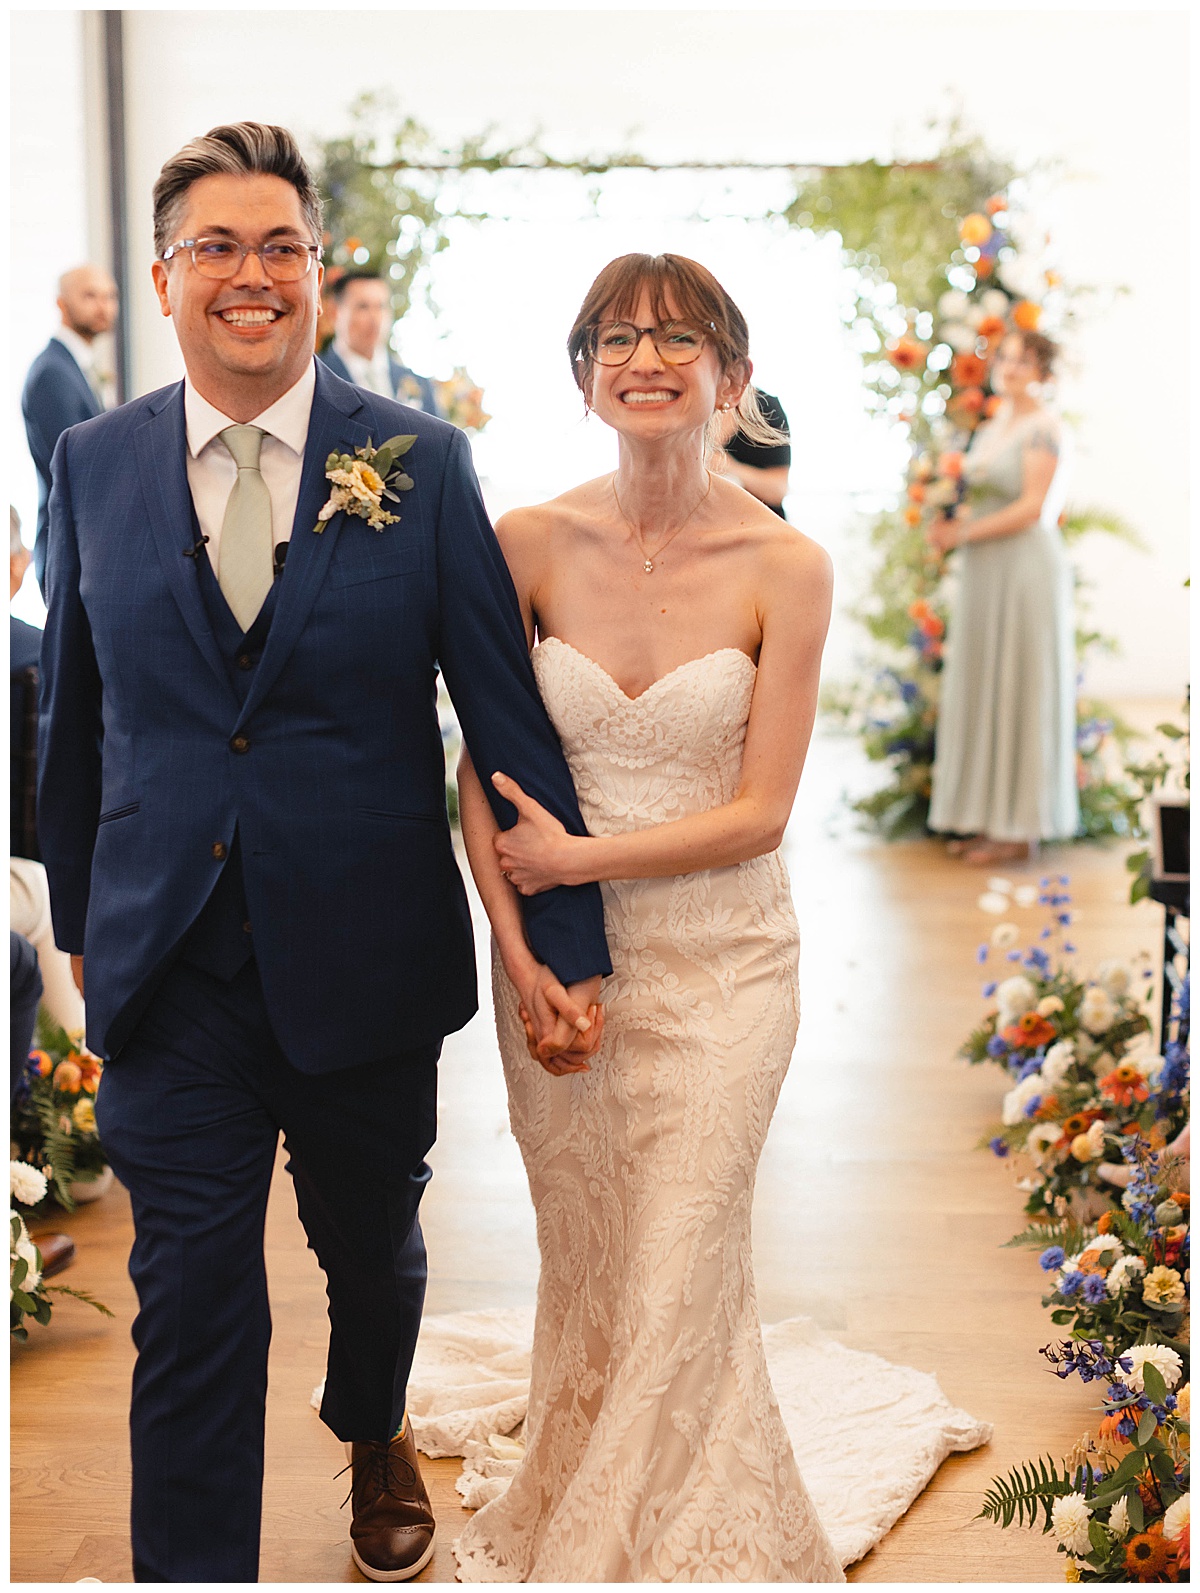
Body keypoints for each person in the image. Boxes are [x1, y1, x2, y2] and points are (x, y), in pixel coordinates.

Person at [36, 121, 610, 1585]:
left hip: (363, 951)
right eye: (216, 246)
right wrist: (81, 928)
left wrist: (567, 945)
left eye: (280, 245)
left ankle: (372, 1428)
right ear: (165, 278)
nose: (253, 273)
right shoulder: (91, 460)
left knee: (373, 1256)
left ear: (316, 271)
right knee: (193, 1303)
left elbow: (502, 717)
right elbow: (77, 716)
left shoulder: (415, 460)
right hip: (172, 966)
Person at [450, 253, 844, 1581]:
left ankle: (609, 1556)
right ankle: (591, 1488)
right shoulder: (525, 543)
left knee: (681, 1249)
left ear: (731, 378)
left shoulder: (788, 567)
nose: (648, 358)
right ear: (582, 377)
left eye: (683, 339)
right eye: (617, 337)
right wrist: (518, 951)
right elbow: (481, 767)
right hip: (562, 975)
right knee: (604, 1261)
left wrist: (581, 856)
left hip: (726, 965)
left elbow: (763, 812)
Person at [926, 329, 1079, 865]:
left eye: (1024, 360)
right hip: (987, 570)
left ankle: (1021, 828)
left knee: (1020, 682)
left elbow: (1034, 507)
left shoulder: (1044, 429)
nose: (1010, 367)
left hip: (1025, 567)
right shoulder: (991, 426)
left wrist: (962, 534)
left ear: (1043, 371)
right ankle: (989, 819)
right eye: (1006, 357)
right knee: (987, 681)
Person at [21, 264, 119, 593]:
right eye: (90, 296)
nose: (103, 306)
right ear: (61, 304)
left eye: (110, 296)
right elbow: (75, 471)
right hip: (69, 552)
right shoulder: (52, 373)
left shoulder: (75, 366)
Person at [318, 269, 441, 413]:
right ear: (334, 312)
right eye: (363, 307)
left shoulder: (418, 384)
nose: (375, 318)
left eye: (381, 307)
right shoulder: (317, 378)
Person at [712, 387, 792, 517]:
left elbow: (778, 490)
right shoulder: (689, 407)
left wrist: (728, 466)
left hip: (761, 523)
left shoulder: (766, 408)